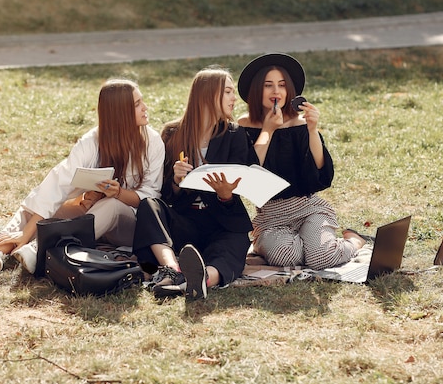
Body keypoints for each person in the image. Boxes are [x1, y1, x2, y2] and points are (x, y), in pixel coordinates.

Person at [0, 79, 165, 273]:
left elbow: (150, 197)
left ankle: (38, 248)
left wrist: (118, 194)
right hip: (88, 216)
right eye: (137, 104)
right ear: (120, 112)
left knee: (111, 206)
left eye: (141, 101)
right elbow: (57, 186)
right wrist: (27, 230)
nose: (145, 107)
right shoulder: (92, 141)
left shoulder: (153, 143)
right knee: (38, 201)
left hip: (129, 225)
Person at [236, 53, 369, 271]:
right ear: (256, 89)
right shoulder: (244, 124)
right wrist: (268, 130)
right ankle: (268, 242)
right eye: (268, 85)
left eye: (282, 85)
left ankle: (354, 241)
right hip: (271, 215)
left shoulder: (299, 123)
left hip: (308, 207)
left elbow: (320, 171)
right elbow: (249, 174)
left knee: (320, 259)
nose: (276, 91)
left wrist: (312, 129)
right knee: (288, 256)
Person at [132, 67, 252, 300]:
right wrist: (176, 181)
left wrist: (225, 194)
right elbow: (163, 193)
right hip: (184, 223)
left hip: (222, 223)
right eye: (227, 92)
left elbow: (243, 181)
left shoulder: (235, 135)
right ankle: (174, 271)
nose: (233, 98)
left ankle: (202, 280)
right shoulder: (172, 134)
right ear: (208, 95)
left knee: (236, 240)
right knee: (149, 205)